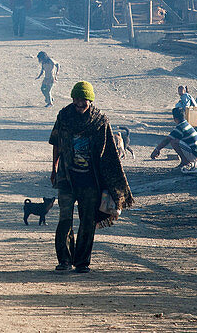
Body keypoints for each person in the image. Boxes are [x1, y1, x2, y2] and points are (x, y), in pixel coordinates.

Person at [49, 82, 134, 273]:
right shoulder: (64, 116)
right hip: (67, 178)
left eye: (83, 100)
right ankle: (64, 260)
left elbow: (109, 153)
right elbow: (56, 143)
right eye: (76, 99)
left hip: (90, 181)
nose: (79, 103)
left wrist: (111, 183)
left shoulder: (100, 122)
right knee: (64, 220)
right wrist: (54, 169)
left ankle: (82, 263)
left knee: (87, 221)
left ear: (90, 99)